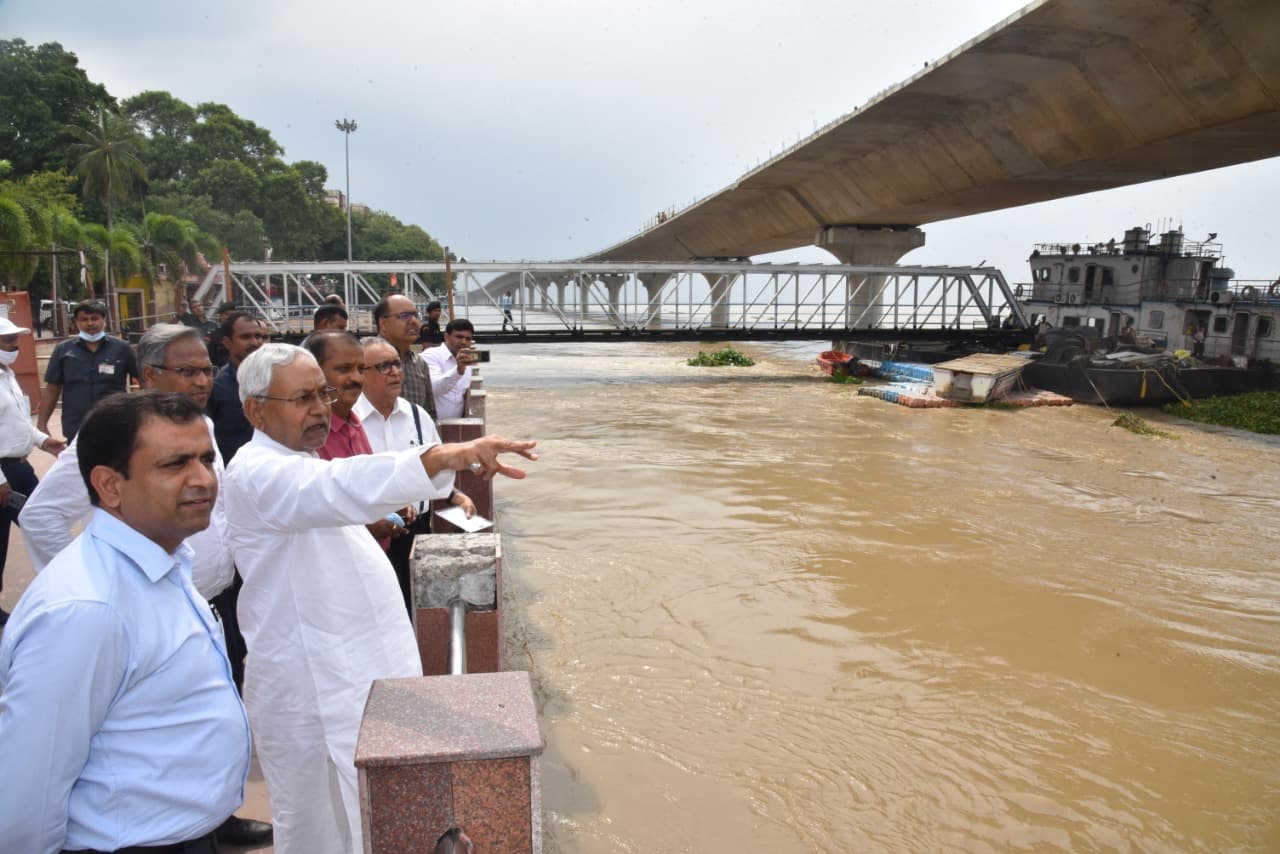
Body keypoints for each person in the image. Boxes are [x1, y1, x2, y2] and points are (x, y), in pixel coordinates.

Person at [223, 343, 536, 854]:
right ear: (256, 409)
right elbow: (338, 486)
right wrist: (442, 456)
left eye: (321, 395)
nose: (320, 408)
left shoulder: (295, 462)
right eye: (301, 398)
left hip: (353, 677)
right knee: (319, 825)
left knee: (359, 819)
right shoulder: (260, 470)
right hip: (314, 685)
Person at [0, 391, 252, 854]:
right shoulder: (87, 611)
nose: (203, 479)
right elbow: (26, 793)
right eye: (175, 465)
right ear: (110, 486)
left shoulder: (165, 563)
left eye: (206, 459)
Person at [355, 337, 474, 612]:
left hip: (414, 530)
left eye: (396, 364)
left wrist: (456, 496)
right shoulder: (350, 422)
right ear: (360, 373)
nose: (395, 372)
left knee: (410, 609)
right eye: (383, 366)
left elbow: (434, 470)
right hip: (367, 533)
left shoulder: (417, 416)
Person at [0, 316, 67, 626]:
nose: (14, 346)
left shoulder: (8, 375)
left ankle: (63, 589)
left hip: (20, 468)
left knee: (42, 523)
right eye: (8, 341)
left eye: (15, 340)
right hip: (3, 473)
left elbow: (16, 425)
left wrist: (43, 441)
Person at [37, 299, 139, 441]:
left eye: (95, 318)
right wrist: (42, 424)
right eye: (84, 319)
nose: (90, 323)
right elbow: (52, 389)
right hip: (76, 426)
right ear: (76, 322)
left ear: (104, 320)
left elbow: (143, 381)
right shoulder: (63, 350)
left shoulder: (122, 349)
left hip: (116, 423)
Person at [207, 311, 266, 464]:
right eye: (246, 337)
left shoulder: (276, 379)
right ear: (227, 342)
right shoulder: (216, 387)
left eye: (258, 336)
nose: (255, 342)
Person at [374, 292, 438, 423]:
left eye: (415, 315)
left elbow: (430, 413)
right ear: (383, 323)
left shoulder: (420, 364)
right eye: (404, 316)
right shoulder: (364, 359)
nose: (414, 321)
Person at [423, 318, 478, 420]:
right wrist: (458, 371)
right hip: (432, 424)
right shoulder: (430, 355)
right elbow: (434, 389)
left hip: (456, 427)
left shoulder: (466, 360)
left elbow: (463, 394)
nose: (463, 342)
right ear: (446, 337)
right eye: (459, 337)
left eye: (468, 338)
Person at [206, 302, 238, 367]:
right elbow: (210, 358)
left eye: (233, 314)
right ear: (220, 316)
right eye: (227, 314)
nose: (230, 317)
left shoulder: (242, 333)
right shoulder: (214, 335)